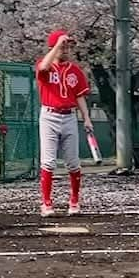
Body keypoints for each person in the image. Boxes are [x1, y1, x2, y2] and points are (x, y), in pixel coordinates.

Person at [36, 30, 94, 217]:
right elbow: (44, 67)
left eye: (69, 46)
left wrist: (86, 117)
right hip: (49, 116)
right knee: (48, 161)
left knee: (73, 162)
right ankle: (46, 203)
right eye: (64, 46)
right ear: (53, 48)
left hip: (69, 116)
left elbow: (79, 97)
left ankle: (74, 201)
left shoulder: (75, 71)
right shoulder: (44, 65)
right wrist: (56, 45)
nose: (67, 50)